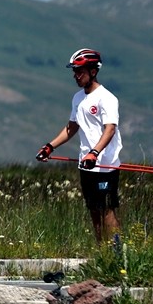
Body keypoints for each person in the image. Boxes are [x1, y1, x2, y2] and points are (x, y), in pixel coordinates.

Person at [35, 48, 123, 244]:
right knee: (93, 209)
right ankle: (102, 252)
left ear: (93, 71)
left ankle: (118, 254)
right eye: (74, 71)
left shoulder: (107, 98)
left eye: (80, 71)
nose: (76, 76)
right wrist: (50, 147)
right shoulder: (78, 98)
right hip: (86, 164)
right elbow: (71, 127)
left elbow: (110, 130)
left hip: (105, 164)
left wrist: (94, 153)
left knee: (106, 209)